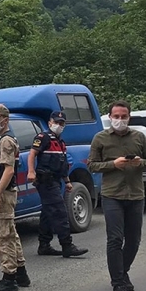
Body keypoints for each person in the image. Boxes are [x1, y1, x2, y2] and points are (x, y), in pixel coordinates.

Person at [87, 100, 146, 291]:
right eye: (116, 116)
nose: (119, 120)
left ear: (129, 117)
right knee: (115, 239)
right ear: (110, 117)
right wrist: (113, 164)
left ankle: (123, 271)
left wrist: (140, 163)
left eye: (123, 116)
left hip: (135, 195)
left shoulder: (139, 137)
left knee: (133, 240)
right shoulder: (100, 138)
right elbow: (91, 165)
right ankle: (117, 283)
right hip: (112, 195)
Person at [26, 111, 88, 258]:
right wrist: (30, 171)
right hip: (45, 181)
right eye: (57, 122)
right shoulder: (44, 137)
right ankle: (67, 245)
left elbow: (63, 165)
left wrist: (67, 181)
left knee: (48, 213)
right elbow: (32, 153)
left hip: (55, 180)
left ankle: (44, 245)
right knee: (60, 212)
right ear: (50, 123)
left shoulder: (60, 143)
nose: (59, 125)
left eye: (62, 123)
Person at [0, 104, 30, 291]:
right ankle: (21, 273)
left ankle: (9, 278)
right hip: (4, 193)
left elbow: (9, 170)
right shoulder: (2, 140)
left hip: (3, 194)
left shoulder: (6, 141)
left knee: (2, 237)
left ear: (5, 119)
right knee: (10, 233)